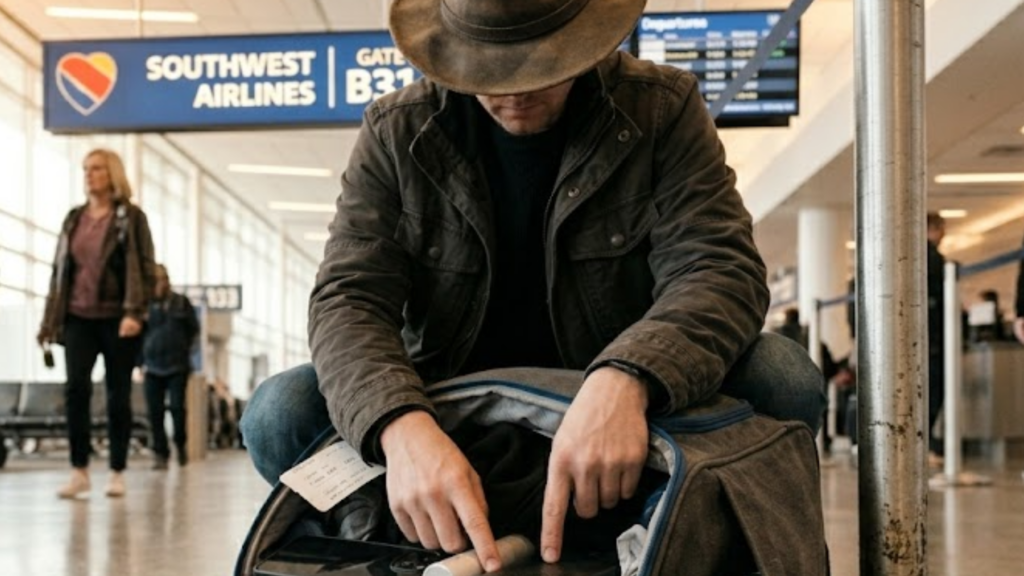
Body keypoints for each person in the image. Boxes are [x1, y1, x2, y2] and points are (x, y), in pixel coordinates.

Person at [240, 0, 825, 571]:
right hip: (455, 418)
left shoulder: (661, 109)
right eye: (491, 65)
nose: (515, 89)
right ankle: (437, 533)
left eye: (541, 62)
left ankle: (662, 532)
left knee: (783, 378)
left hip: (624, 423)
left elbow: (719, 266)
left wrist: (631, 376)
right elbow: (349, 298)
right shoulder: (397, 131)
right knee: (279, 410)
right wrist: (399, 426)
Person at [37, 148, 156, 498]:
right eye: (86, 169)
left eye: (98, 169)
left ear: (113, 174)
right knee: (76, 391)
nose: (90, 175)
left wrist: (136, 312)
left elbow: (146, 267)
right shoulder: (74, 218)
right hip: (77, 317)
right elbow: (58, 272)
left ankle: (117, 471)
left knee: (117, 394)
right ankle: (79, 471)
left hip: (119, 318)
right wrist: (49, 322)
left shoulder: (131, 217)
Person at [142, 264, 199, 469]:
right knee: (154, 412)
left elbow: (194, 330)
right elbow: (139, 335)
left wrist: (184, 350)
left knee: (177, 408)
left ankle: (180, 445)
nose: (159, 284)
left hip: (177, 366)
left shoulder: (181, 303)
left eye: (162, 280)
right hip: (152, 367)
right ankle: (160, 453)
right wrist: (139, 363)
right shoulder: (145, 305)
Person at [926, 211, 946, 466]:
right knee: (933, 392)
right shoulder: (933, 259)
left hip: (927, 336)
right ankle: (928, 443)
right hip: (933, 338)